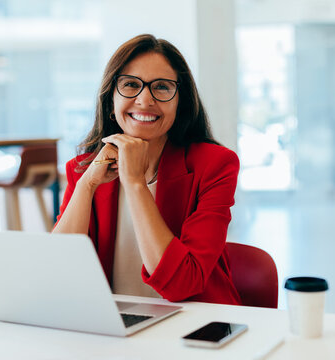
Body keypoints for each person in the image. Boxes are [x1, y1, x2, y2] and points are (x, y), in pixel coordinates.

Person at [53, 34, 241, 305]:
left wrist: (136, 183)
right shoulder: (82, 170)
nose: (144, 100)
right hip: (113, 328)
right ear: (110, 101)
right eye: (130, 85)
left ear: (180, 102)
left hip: (196, 324)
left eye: (162, 87)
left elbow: (182, 284)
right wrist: (87, 184)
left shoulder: (215, 165)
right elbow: (59, 271)